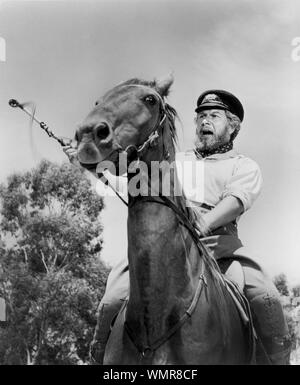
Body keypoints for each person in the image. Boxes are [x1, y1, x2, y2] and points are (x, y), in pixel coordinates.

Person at [63, 90, 291, 365]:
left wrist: (202, 223)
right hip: (162, 248)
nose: (205, 121)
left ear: (232, 127)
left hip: (220, 250)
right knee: (112, 298)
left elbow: (236, 200)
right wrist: (86, 163)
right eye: (201, 116)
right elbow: (127, 184)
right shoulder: (174, 161)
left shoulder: (244, 165)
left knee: (265, 296)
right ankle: (98, 357)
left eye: (214, 116)